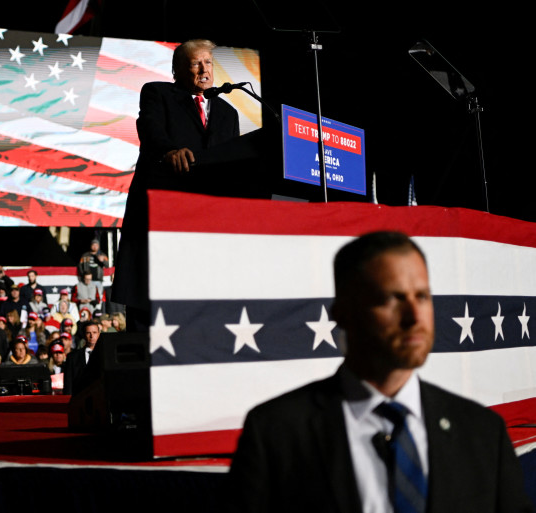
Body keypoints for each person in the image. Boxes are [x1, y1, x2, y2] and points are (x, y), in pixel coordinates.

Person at [227, 231, 535, 513]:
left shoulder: (483, 432)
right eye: (393, 298)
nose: (415, 316)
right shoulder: (275, 433)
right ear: (343, 313)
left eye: (423, 296)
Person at [111, 38, 240, 331]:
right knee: (147, 309)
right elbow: (150, 129)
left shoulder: (228, 113)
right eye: (196, 63)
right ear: (178, 70)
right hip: (159, 215)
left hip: (204, 224)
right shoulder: (158, 93)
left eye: (208, 62)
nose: (204, 69)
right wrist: (169, 151)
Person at [63, 321, 101, 394]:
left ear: (99, 334)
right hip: (78, 397)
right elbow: (68, 383)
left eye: (94, 332)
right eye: (88, 333)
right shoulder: (72, 357)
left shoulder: (105, 355)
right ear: (84, 335)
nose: (91, 336)